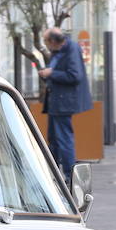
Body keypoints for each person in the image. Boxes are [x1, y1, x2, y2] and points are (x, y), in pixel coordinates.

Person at [38, 27, 92, 186]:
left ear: (53, 41)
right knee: (54, 139)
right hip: (56, 101)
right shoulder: (60, 50)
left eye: (46, 41)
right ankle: (52, 172)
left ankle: (70, 175)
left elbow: (75, 75)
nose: (46, 45)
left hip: (63, 102)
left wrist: (51, 73)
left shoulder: (71, 49)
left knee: (63, 138)